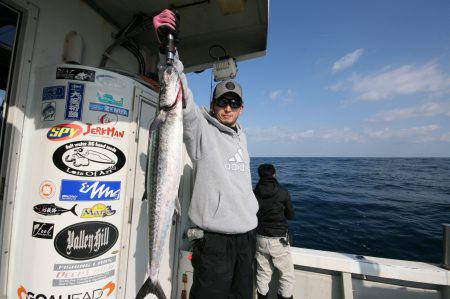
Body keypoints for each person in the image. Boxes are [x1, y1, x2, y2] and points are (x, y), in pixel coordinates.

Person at [153, 10, 259, 299]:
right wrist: (169, 51)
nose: (227, 108)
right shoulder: (200, 129)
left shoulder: (242, 136)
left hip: (247, 239)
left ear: (241, 108)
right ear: (213, 105)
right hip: (215, 244)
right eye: (222, 102)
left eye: (234, 103)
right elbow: (180, 97)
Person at [254, 164, 295, 299]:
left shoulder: (254, 193)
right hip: (279, 240)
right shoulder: (283, 192)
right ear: (274, 174)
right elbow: (290, 215)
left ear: (260, 176)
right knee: (287, 276)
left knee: (262, 274)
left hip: (260, 238)